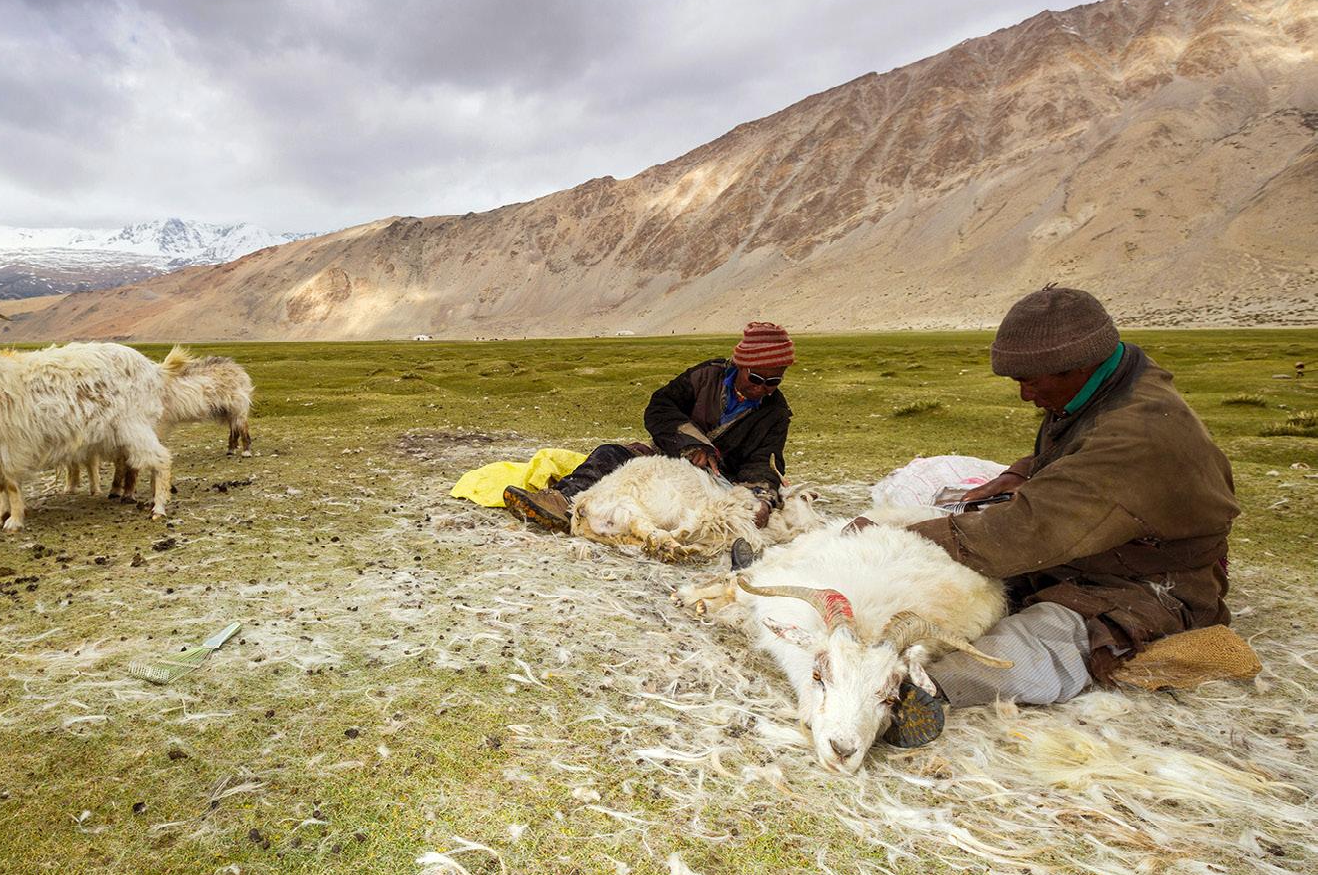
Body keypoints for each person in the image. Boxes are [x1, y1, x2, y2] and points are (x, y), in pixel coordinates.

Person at [874, 286, 1238, 741]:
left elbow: (1026, 532)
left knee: (1049, 633)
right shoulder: (1105, 387)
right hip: (1095, 551)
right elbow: (1080, 457)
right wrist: (1024, 472)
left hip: (1146, 580)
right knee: (978, 590)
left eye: (1032, 381)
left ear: (1078, 366)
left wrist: (901, 533)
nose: (1026, 396)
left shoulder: (1137, 434)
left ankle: (921, 690)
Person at [503, 322, 796, 533]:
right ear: (740, 365)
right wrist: (692, 443)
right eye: (757, 378)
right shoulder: (706, 377)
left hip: (717, 477)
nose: (764, 389)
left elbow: (763, 462)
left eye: (774, 382)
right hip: (669, 450)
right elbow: (660, 408)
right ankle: (562, 500)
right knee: (611, 454)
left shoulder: (776, 413)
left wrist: (760, 499)